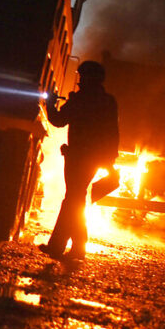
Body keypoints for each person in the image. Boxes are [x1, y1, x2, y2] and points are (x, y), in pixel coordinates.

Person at [39, 61, 119, 261]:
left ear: (87, 78)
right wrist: (110, 160)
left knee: (72, 200)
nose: (80, 80)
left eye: (82, 77)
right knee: (75, 200)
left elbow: (58, 120)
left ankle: (61, 247)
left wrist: (50, 104)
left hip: (77, 157)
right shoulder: (108, 101)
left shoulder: (81, 99)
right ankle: (74, 247)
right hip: (93, 159)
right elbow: (113, 133)